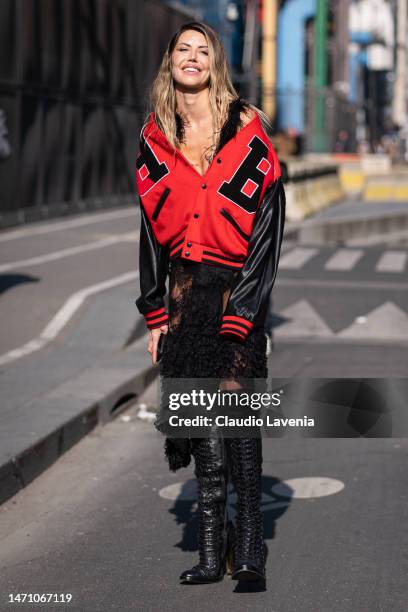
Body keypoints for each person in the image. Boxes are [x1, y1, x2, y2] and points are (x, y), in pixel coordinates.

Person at [135, 21, 285, 585]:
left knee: (238, 415)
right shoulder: (155, 137)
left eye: (203, 50)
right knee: (200, 421)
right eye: (183, 49)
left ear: (215, 65)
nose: (192, 58)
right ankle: (209, 545)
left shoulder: (246, 131)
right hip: (182, 292)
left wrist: (244, 311)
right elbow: (149, 232)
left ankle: (249, 546)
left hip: (235, 286)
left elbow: (268, 229)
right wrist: (154, 314)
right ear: (170, 61)